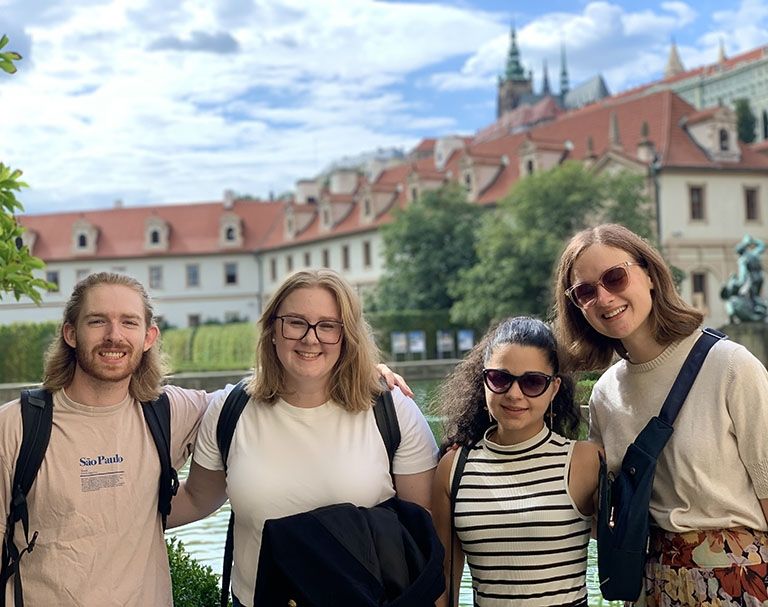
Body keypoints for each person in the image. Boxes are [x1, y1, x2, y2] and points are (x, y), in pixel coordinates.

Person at [0, 271, 409, 607]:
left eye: (128, 322)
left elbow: (275, 387)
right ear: (71, 333)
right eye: (97, 321)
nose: (113, 335)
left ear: (148, 337)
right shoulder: (17, 428)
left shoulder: (174, 411)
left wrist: (362, 367)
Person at [168, 269, 439, 607]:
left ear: (347, 336)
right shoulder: (230, 408)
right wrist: (104, 519)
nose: (311, 339)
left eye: (328, 326)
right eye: (295, 322)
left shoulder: (393, 411)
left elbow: (424, 533)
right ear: (272, 330)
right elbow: (195, 498)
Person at [554, 223, 768, 606]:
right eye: (586, 292)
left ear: (649, 275)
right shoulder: (605, 394)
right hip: (651, 583)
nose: (604, 298)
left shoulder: (731, 366)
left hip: (740, 581)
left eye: (615, 278)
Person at [431, 316, 599, 607]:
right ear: (483, 380)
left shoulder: (583, 461)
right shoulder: (454, 467)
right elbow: (445, 582)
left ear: (554, 388)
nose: (514, 394)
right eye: (500, 378)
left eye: (533, 382)